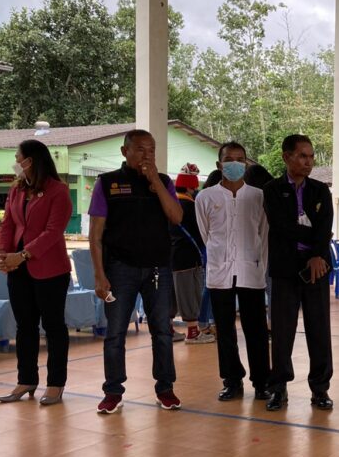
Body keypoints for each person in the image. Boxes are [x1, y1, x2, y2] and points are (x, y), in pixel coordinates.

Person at [88, 129, 184, 414]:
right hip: (120, 269)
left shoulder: (163, 182)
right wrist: (99, 274)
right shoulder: (107, 183)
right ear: (125, 151)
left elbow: (176, 217)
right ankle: (113, 391)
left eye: (151, 150)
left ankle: (165, 388)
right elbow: (95, 235)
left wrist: (155, 181)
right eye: (141, 149)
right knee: (115, 333)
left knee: (162, 331)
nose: (147, 155)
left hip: (157, 269)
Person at [0, 139, 73, 406]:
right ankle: (26, 379)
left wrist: (24, 254)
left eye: (18, 158)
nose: (16, 163)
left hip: (50, 269)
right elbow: (7, 224)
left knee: (53, 327)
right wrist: (3, 255)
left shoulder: (58, 191)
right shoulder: (17, 189)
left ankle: (55, 384)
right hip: (18, 268)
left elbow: (53, 231)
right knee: (24, 326)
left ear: (31, 161)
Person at [262, 134, 334, 411]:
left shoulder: (320, 190)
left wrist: (317, 254)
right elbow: (281, 226)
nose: (308, 162)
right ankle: (278, 388)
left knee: (319, 329)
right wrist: (315, 234)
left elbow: (325, 226)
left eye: (311, 156)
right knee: (282, 332)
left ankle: (320, 389)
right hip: (285, 269)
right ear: (286, 157)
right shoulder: (272, 189)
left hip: (317, 267)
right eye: (302, 156)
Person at [196, 147, 271, 402]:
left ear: (246, 164)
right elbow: (206, 234)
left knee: (256, 330)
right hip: (220, 273)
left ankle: (261, 381)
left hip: (251, 270)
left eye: (240, 160)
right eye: (229, 160)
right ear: (219, 164)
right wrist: (221, 256)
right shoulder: (205, 197)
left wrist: (259, 264)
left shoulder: (259, 196)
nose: (235, 164)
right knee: (225, 330)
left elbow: (263, 234)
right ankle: (231, 380)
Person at [170, 163, 214, 345]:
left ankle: (168, 330)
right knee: (190, 294)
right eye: (194, 187)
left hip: (171, 257)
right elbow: (202, 232)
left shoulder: (170, 204)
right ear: (189, 187)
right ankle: (193, 333)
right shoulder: (190, 206)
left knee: (172, 295)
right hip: (188, 257)